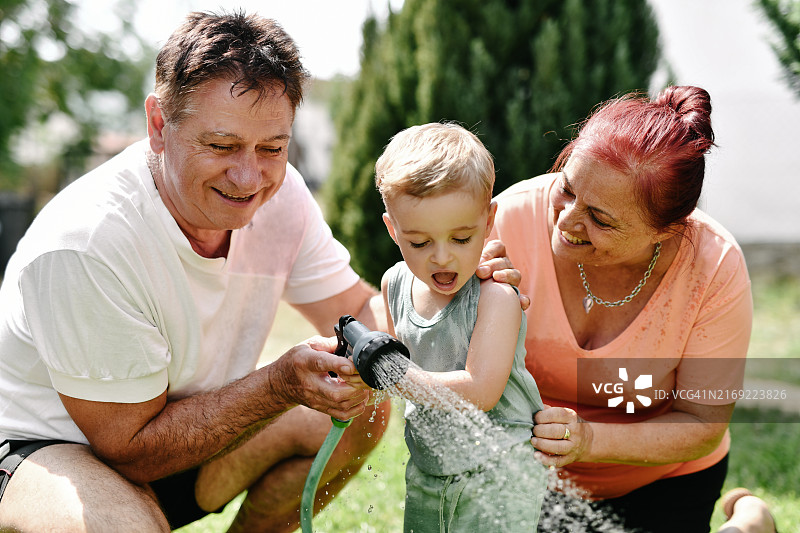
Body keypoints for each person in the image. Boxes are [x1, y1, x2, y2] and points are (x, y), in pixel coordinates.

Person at [0, 12, 519, 532]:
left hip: (179, 437)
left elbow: (362, 312)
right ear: (160, 126)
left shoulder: (282, 194)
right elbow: (131, 449)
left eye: (272, 147)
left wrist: (451, 280)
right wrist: (278, 385)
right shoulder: (88, 244)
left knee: (361, 412)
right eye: (221, 146)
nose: (249, 177)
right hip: (49, 446)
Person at [490, 86, 754, 532]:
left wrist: (588, 440)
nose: (567, 220)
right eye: (567, 189)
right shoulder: (508, 219)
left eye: (601, 219)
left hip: (663, 480)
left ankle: (749, 523)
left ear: (666, 230)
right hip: (531, 476)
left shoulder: (715, 267)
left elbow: (703, 423)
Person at [376, 123, 547, 532]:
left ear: (488, 222)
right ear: (393, 229)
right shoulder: (394, 284)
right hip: (430, 467)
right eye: (419, 242)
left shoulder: (496, 298)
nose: (441, 257)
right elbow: (389, 359)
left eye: (461, 237)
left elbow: (481, 390)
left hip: (500, 474)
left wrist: (397, 377)